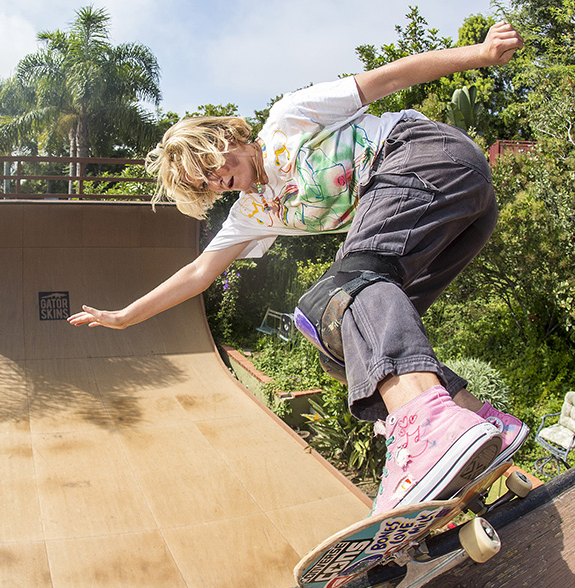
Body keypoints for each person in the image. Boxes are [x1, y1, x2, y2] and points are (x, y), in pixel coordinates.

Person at [69, 22, 528, 515]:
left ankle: (430, 426)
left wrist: (480, 54)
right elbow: (200, 273)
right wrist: (125, 316)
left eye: (209, 166)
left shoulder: (290, 118)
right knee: (338, 337)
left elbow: (388, 78)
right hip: (453, 216)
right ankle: (478, 423)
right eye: (206, 187)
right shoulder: (253, 213)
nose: (217, 182)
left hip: (428, 157)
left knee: (345, 292)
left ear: (226, 136)